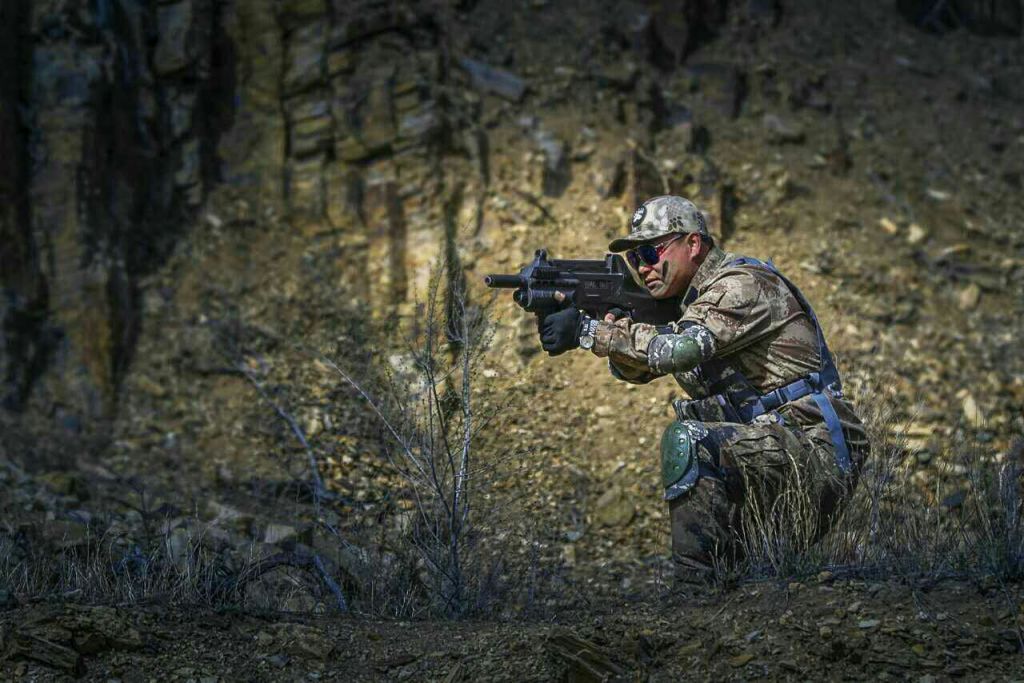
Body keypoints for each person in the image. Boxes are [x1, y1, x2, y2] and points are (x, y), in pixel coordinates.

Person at [537, 195, 869, 585]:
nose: (642, 267)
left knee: (690, 440)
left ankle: (695, 594)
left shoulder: (740, 284)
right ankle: (721, 596)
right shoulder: (688, 307)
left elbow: (680, 349)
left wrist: (589, 331)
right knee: (751, 579)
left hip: (815, 448)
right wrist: (603, 326)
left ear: (693, 244)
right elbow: (639, 370)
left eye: (650, 251)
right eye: (634, 258)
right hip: (770, 450)